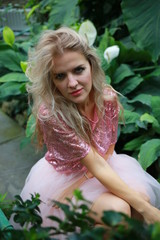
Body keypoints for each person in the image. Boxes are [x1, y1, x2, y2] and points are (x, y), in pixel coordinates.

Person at [20, 27, 160, 230]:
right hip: (66, 180)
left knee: (140, 200)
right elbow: (93, 163)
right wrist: (150, 211)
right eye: (60, 76)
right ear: (52, 81)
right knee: (120, 210)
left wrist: (141, 205)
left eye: (78, 70)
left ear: (91, 66)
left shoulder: (107, 98)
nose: (72, 83)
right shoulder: (51, 114)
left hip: (103, 166)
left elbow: (108, 149)